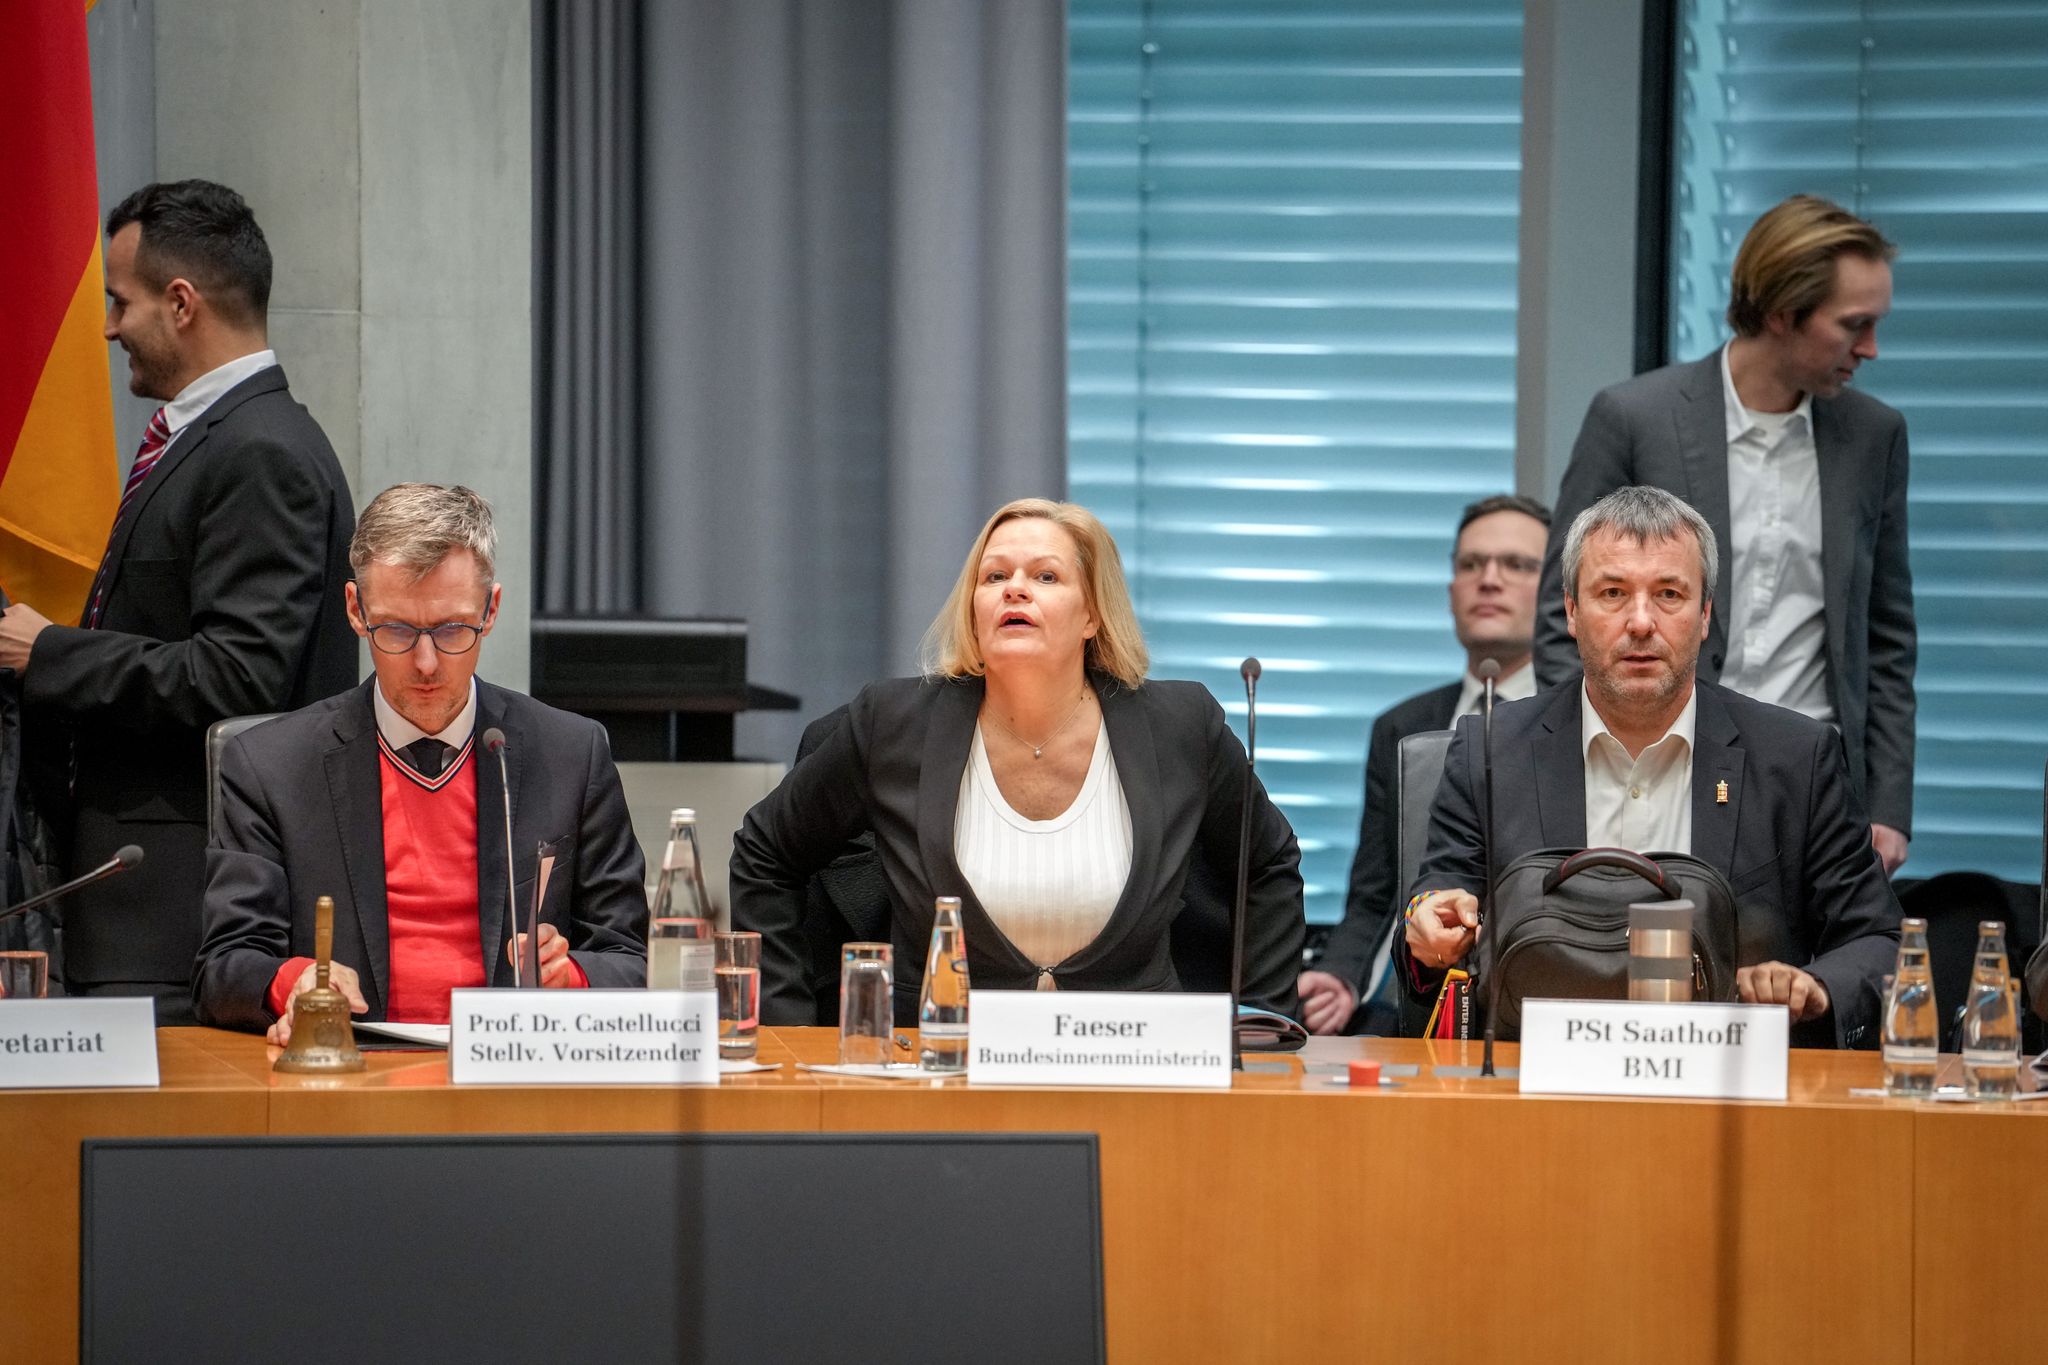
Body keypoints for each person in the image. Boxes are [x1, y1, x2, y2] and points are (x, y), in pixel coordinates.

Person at [730, 497, 1305, 1024]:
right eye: (995, 576)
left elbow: (1269, 863)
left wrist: (1262, 1025)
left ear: (1092, 617)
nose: (1014, 590)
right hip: (941, 1065)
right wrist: (788, 1029)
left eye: (1046, 576)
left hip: (1134, 1063)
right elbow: (765, 852)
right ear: (974, 609)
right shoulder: (894, 724)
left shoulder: (1180, 725)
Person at [0, 180, 356, 1022]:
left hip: (179, 913)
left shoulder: (262, 450)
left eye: (121, 302)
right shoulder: (217, 439)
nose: (110, 326)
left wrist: (46, 652)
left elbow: (241, 678)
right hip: (136, 904)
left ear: (182, 302)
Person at [1405, 486, 1900, 1048]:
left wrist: (1813, 985)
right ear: (1570, 609)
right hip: (1536, 1088)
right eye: (1612, 593)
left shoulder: (1795, 758)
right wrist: (1428, 929)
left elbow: (1878, 940)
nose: (1640, 622)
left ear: (1706, 613)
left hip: (1730, 1086)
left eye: (1668, 594)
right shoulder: (1491, 749)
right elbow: (1432, 913)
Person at [1534, 195, 1915, 875]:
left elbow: (1886, 637)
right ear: (1781, 313)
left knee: (1802, 981)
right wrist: (1582, 771)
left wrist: (1886, 803)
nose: (1871, 349)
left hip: (1812, 785)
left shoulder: (1874, 436)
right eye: (1854, 325)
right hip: (1660, 768)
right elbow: (1561, 610)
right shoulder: (1634, 417)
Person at [193, 485, 646, 1043]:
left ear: (491, 610)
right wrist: (296, 982)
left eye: (453, 629)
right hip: (351, 1068)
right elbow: (225, 965)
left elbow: (632, 958)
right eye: (398, 630)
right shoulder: (270, 764)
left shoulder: (571, 752)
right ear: (357, 610)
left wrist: (571, 976)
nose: (426, 663)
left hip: (514, 1073)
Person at [1298, 493, 1550, 1035]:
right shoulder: (1402, 728)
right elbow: (1374, 897)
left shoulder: (1583, 720)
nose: (1488, 579)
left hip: (1543, 995)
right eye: (1470, 564)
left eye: (1516, 564)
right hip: (1420, 992)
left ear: (1557, 595)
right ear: (1451, 592)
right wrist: (1338, 977)